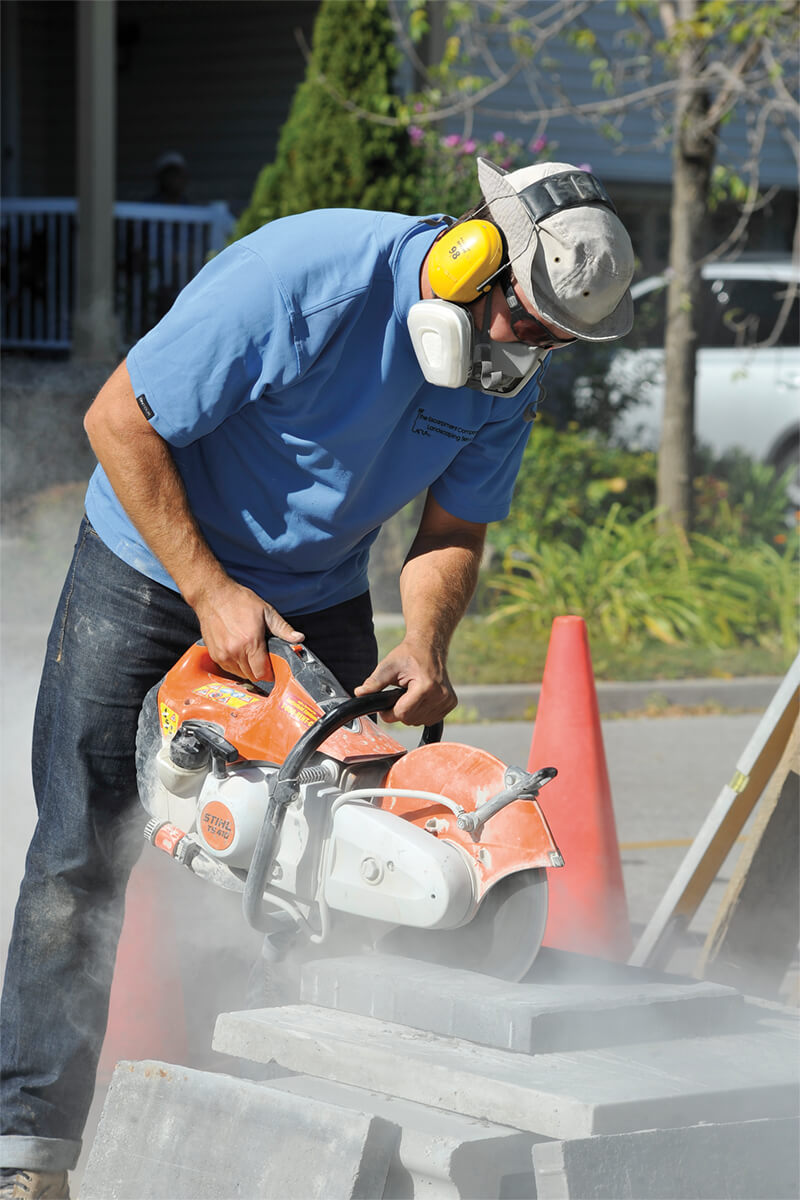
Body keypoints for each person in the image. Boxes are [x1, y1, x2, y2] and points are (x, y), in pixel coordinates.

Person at [0, 156, 634, 1199]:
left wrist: (425, 643)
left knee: (310, 871)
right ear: (474, 256)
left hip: (316, 591)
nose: (528, 350)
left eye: (555, 340)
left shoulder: (505, 371)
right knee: (80, 850)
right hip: (149, 563)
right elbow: (118, 420)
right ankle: (30, 1154)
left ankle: (271, 1137)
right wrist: (210, 591)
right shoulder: (305, 279)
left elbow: (453, 526)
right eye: (525, 320)